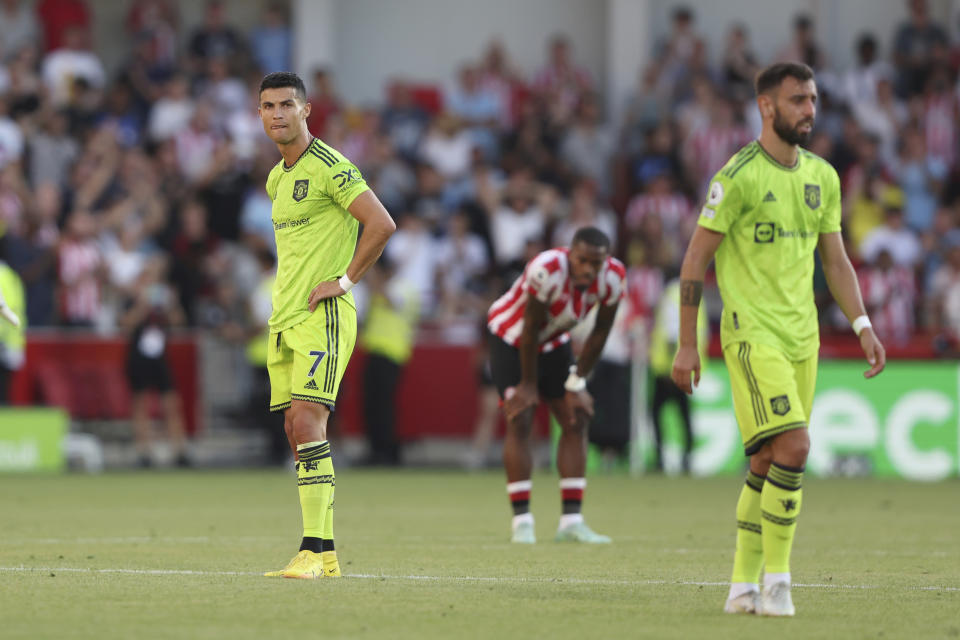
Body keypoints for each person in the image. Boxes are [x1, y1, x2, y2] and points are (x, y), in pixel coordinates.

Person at [671, 63, 886, 617]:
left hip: (803, 339)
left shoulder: (824, 176)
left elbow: (835, 262)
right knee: (796, 448)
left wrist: (862, 325)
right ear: (767, 107)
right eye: (797, 100)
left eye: (813, 99)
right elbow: (695, 259)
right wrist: (687, 343)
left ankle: (741, 587)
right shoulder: (736, 177)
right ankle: (778, 583)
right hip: (751, 335)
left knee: (768, 461)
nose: (809, 110)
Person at [257, 71, 395, 579]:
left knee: (310, 421)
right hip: (286, 317)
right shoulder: (277, 177)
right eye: (269, 106)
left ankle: (312, 552)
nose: (277, 114)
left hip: (323, 315)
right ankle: (325, 555)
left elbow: (381, 224)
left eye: (286, 105)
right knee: (296, 427)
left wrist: (345, 280)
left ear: (306, 110)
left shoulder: (330, 166)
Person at [487, 226, 625, 544]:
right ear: (570, 254)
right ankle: (522, 521)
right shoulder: (546, 270)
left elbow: (601, 331)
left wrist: (576, 382)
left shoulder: (614, 278)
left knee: (575, 418)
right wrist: (528, 385)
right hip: (511, 338)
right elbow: (530, 328)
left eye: (596, 264)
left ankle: (571, 522)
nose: (589, 270)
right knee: (520, 417)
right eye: (582, 261)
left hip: (553, 342)